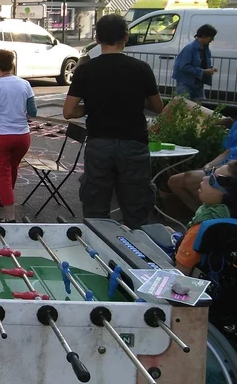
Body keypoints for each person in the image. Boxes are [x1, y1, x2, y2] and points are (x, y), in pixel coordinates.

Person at [63, 13, 165, 229]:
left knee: (96, 208)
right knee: (136, 208)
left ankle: (97, 254)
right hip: (134, 143)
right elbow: (158, 108)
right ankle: (136, 255)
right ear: (126, 37)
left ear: (97, 39)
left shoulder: (85, 69)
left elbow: (69, 112)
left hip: (99, 144)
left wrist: (90, 106)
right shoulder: (141, 68)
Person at [168, 83, 237, 211]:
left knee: (189, 180)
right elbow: (227, 152)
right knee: (174, 181)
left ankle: (215, 216)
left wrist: (223, 168)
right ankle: (202, 217)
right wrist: (208, 166)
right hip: (223, 168)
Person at [0, 50, 37, 223]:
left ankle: (10, 216)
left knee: (3, 175)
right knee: (12, 167)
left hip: (1, 136)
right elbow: (33, 113)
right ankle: (6, 197)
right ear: (12, 65)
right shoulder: (25, 84)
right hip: (22, 136)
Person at [175, 160, 237, 274]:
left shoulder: (203, 226)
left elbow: (180, 273)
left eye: (212, 180)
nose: (204, 179)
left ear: (228, 196)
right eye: (210, 173)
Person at [172, 24, 218, 101]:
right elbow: (184, 67)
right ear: (204, 36)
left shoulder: (206, 49)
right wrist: (203, 71)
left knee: (198, 108)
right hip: (186, 84)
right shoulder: (189, 49)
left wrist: (210, 68)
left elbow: (202, 64)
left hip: (198, 84)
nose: (212, 40)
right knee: (185, 107)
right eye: (211, 37)